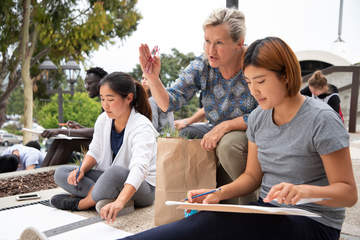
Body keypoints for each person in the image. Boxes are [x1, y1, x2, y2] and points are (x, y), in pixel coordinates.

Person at [98, 36, 357, 240]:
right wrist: (217, 193)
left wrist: (302, 191)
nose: (254, 91)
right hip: (268, 213)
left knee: (229, 226)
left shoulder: (321, 119)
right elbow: (252, 177)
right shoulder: (258, 118)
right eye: (248, 82)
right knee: (205, 221)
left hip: (314, 223)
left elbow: (347, 193)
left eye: (261, 81)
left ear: (286, 75)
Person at [139, 8, 258, 203]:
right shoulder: (202, 65)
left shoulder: (256, 61)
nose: (210, 50)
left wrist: (226, 126)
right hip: (215, 128)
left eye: (219, 43)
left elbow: (269, 111)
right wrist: (152, 78)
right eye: (207, 41)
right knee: (184, 136)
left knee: (228, 144)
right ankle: (198, 201)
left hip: (253, 130)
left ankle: (249, 209)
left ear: (240, 42)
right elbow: (169, 102)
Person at [49, 72, 158, 223]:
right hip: (111, 178)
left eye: (110, 99)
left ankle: (83, 203)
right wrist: (81, 170)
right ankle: (105, 196)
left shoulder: (142, 126)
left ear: (129, 98)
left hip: (143, 188)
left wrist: (119, 203)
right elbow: (95, 151)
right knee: (62, 173)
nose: (105, 105)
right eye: (102, 99)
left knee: (115, 172)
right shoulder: (103, 120)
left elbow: (139, 169)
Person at [41, 67, 108, 167]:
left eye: (90, 83)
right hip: (101, 142)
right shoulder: (104, 101)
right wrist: (80, 127)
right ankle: (41, 172)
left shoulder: (109, 101)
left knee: (67, 142)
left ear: (101, 82)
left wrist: (61, 131)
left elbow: (101, 132)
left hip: (108, 147)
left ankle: (49, 178)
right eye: (86, 83)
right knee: (60, 139)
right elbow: (100, 130)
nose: (86, 87)